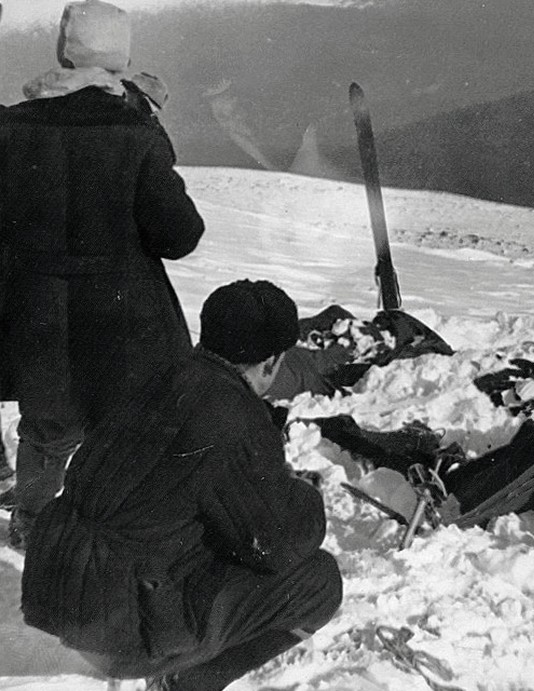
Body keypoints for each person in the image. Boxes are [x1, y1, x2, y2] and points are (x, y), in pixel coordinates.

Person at [21, 279, 343, 691]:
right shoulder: (232, 413)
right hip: (118, 632)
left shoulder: (154, 375)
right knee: (318, 582)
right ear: (271, 362)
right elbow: (276, 545)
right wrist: (304, 495)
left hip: (56, 590)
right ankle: (187, 683)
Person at [0, 0, 205, 548]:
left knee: (46, 427)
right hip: (122, 313)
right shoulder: (135, 130)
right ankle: (114, 529)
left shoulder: (9, 128)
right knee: (123, 426)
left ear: (62, 50)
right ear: (123, 57)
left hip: (35, 310)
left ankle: (33, 525)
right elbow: (180, 236)